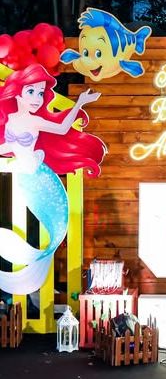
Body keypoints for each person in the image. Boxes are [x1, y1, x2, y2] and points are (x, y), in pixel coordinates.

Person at [0, 64, 106, 295]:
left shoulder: (34, 121)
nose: (36, 98)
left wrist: (79, 103)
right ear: (17, 93)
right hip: (23, 176)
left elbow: (61, 128)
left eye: (40, 93)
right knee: (45, 231)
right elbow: (8, 146)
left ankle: (32, 271)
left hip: (39, 179)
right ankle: (24, 269)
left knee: (55, 229)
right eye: (31, 92)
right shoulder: (11, 119)